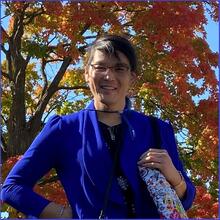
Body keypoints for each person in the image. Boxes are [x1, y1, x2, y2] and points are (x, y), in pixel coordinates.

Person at [1, 34, 196, 219]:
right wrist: (64, 214)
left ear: (132, 78)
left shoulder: (157, 129)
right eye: (100, 67)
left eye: (119, 68)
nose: (109, 76)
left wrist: (175, 177)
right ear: (87, 73)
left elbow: (185, 201)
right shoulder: (64, 129)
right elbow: (12, 188)